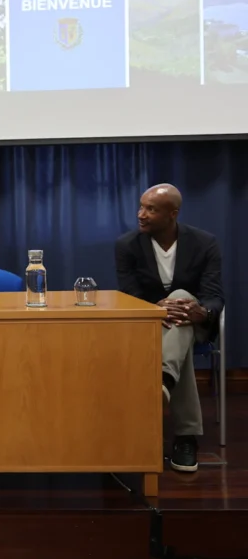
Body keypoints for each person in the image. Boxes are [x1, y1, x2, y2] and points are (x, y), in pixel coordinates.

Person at [115, 183, 224, 473]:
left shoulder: (204, 243)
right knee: (179, 341)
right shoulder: (127, 245)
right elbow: (129, 294)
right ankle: (185, 436)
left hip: (193, 323)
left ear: (172, 214)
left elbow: (214, 295)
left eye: (151, 209)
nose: (141, 214)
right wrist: (156, 308)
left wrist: (203, 312)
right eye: (141, 206)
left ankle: (163, 381)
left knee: (182, 299)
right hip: (148, 322)